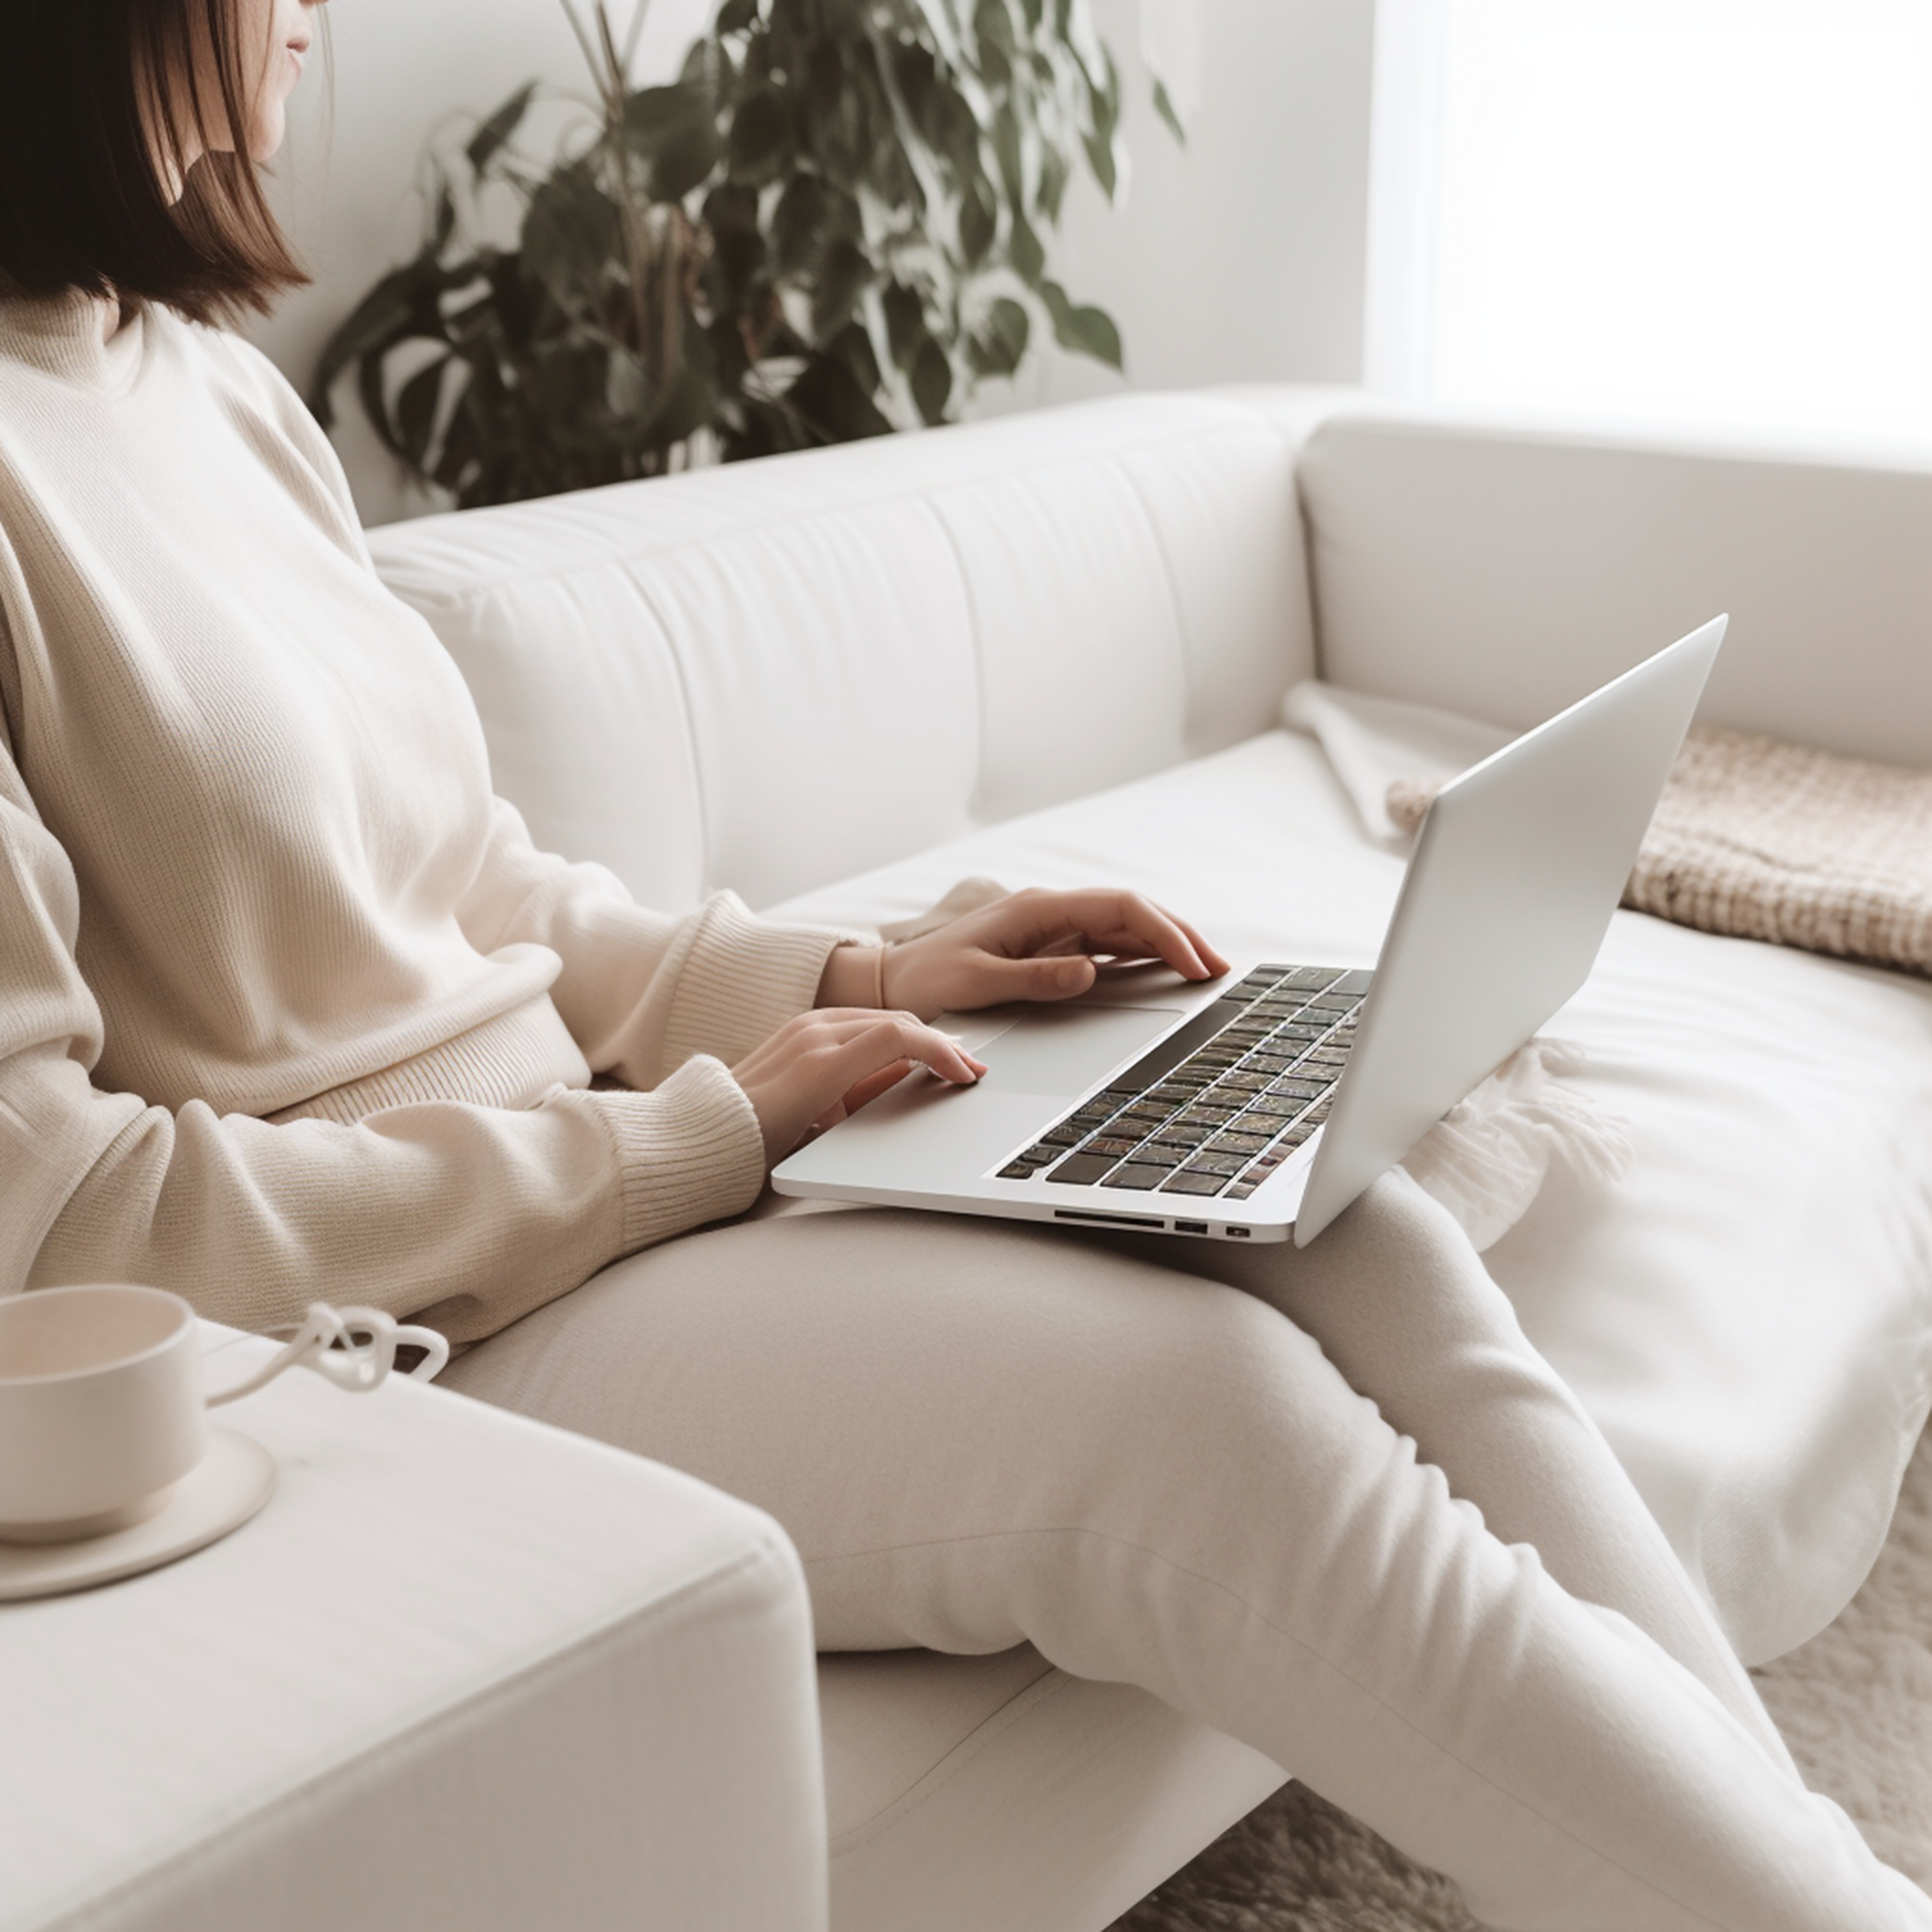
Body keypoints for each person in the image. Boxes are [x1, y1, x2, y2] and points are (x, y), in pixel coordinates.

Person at [0, 4, 1923, 1927]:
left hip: (611, 1168)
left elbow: (468, 889)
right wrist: (696, 1141)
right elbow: (60, 1217)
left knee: (1357, 1222)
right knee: (1202, 1422)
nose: (311, 16)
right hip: (392, 1341)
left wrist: (855, 966)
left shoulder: (203, 384)